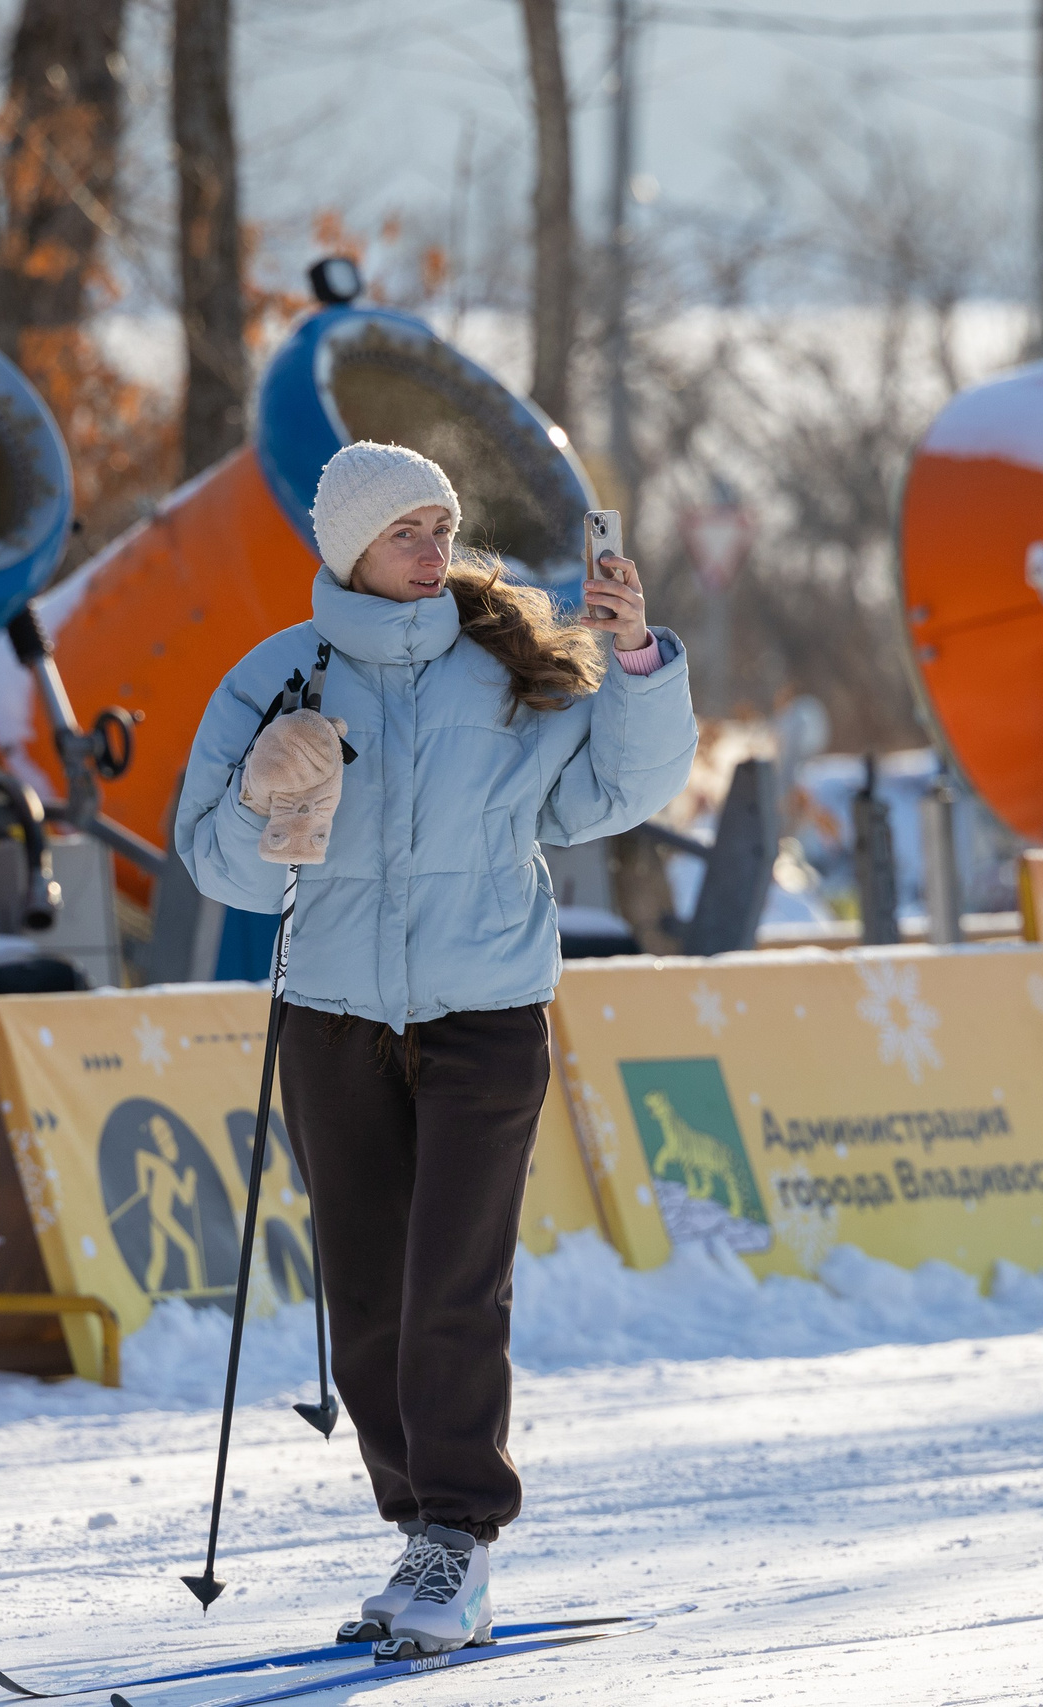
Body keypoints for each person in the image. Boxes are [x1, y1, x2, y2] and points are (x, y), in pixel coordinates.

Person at [175, 441, 697, 1654]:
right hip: (333, 1016)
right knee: (366, 1296)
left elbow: (612, 794)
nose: (431, 551)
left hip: (485, 1015)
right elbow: (218, 870)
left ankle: (457, 1536)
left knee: (452, 1286)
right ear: (347, 547)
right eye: (404, 530)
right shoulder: (276, 679)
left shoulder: (504, 667)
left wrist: (633, 662)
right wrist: (269, 805)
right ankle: (417, 1529)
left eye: (441, 527)